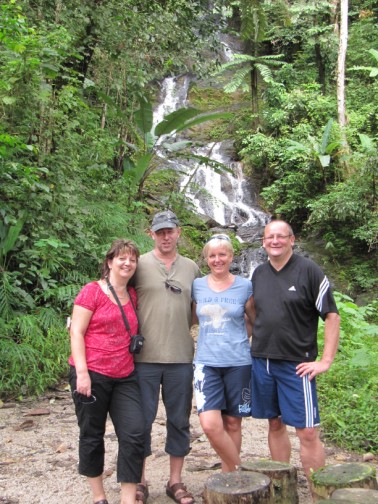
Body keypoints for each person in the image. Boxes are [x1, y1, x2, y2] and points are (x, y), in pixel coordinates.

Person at [250, 219, 340, 486]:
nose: (274, 241)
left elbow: (332, 316)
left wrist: (325, 360)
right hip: (262, 361)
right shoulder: (258, 273)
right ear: (264, 242)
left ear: (292, 239)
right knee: (274, 424)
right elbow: (254, 312)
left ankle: (318, 492)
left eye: (281, 236)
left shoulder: (309, 271)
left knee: (308, 431)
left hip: (296, 365)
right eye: (269, 237)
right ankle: (281, 486)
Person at [68, 239, 145, 504]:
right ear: (110, 262)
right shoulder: (92, 291)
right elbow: (76, 332)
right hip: (92, 373)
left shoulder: (133, 295)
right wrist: (82, 373)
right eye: (122, 258)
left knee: (135, 433)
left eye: (132, 259)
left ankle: (127, 498)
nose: (127, 263)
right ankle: (99, 496)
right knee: (92, 435)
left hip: (125, 375)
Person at [133, 210, 201, 504]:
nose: (165, 236)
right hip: (142, 359)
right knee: (139, 421)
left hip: (180, 357)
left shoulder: (192, 268)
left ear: (178, 232)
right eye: (159, 231)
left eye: (169, 230)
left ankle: (175, 481)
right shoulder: (137, 265)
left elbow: (199, 308)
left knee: (178, 419)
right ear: (151, 234)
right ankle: (139, 480)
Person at [191, 234, 254, 472]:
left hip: (238, 362)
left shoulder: (245, 286)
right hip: (206, 363)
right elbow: (192, 318)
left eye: (222, 254)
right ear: (206, 259)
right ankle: (239, 470)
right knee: (209, 423)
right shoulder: (197, 285)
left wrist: (235, 339)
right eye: (212, 255)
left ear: (231, 256)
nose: (217, 259)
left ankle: (230, 480)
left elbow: (254, 321)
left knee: (233, 423)